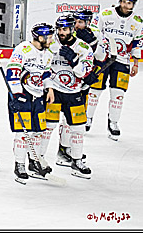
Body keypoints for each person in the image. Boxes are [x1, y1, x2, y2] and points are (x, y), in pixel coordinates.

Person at [43, 14, 95, 178]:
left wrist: (74, 60)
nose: (61, 32)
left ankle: (77, 161)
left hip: (74, 93)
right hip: (54, 92)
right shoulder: (51, 46)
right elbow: (42, 67)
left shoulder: (84, 48)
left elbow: (84, 73)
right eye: (59, 29)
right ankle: (39, 160)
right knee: (48, 127)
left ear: (72, 29)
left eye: (65, 29)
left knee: (78, 129)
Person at [87, 0, 143, 140]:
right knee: (94, 91)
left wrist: (136, 63)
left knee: (118, 94)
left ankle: (113, 122)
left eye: (129, 3)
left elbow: (137, 43)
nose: (125, 5)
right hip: (102, 58)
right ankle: (87, 118)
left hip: (122, 61)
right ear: (120, 1)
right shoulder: (105, 14)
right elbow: (94, 31)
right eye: (124, 1)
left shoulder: (137, 21)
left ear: (133, 5)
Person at [5, 22, 56, 183]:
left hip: (38, 95)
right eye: (49, 37)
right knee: (22, 133)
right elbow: (12, 73)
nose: (51, 39)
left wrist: (50, 89)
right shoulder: (23, 49)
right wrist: (17, 96)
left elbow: (46, 74)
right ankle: (19, 164)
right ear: (40, 37)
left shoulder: (48, 53)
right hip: (23, 95)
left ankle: (34, 163)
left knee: (38, 131)